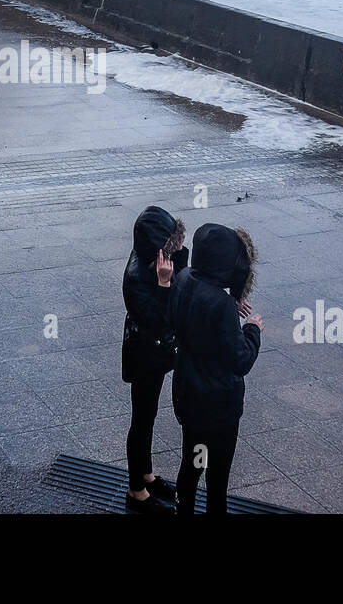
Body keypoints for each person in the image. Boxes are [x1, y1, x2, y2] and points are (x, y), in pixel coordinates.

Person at [169, 223, 262, 514]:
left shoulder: (183, 278)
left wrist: (228, 306)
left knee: (193, 462)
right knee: (217, 475)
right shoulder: (221, 304)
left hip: (188, 395)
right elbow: (240, 360)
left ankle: (181, 508)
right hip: (218, 407)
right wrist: (252, 330)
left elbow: (195, 313)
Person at [121, 206, 187, 514]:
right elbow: (158, 320)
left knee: (148, 414)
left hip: (156, 352)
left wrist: (176, 255)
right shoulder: (137, 278)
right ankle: (136, 490)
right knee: (142, 419)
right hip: (144, 354)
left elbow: (183, 274)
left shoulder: (153, 259)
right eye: (169, 247)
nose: (173, 253)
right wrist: (163, 284)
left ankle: (146, 474)